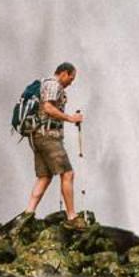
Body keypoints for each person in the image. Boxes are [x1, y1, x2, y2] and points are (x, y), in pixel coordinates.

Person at [22, 62, 84, 222]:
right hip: (47, 136)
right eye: (71, 77)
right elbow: (48, 107)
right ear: (63, 73)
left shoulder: (48, 84)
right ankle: (72, 216)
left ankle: (27, 214)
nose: (71, 82)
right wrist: (70, 118)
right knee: (68, 173)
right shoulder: (52, 85)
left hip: (38, 136)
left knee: (45, 176)